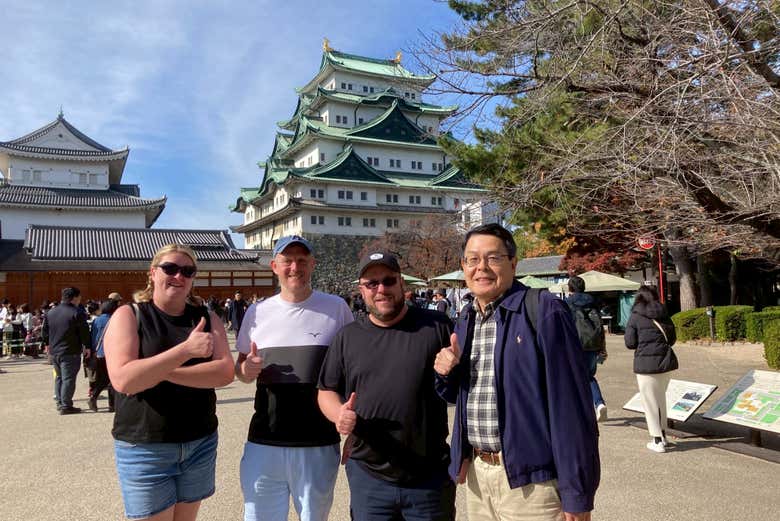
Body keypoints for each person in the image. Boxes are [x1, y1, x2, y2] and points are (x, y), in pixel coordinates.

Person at [434, 223, 600, 521]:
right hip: (478, 476)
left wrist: (577, 493)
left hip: (532, 483)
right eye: (472, 259)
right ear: (463, 267)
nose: (481, 268)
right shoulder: (467, 318)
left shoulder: (544, 310)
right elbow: (459, 394)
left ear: (513, 263)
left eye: (493, 258)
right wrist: (446, 371)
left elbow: (572, 408)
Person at [318, 251, 456, 520]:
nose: (381, 289)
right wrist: (339, 416)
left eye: (388, 281)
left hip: (429, 476)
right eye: (372, 283)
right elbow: (326, 390)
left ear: (401, 283)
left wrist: (453, 369)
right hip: (369, 476)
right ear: (361, 289)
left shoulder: (436, 326)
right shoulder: (348, 337)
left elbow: (460, 386)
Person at [104, 244, 235, 521]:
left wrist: (157, 371)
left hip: (199, 440)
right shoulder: (130, 315)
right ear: (152, 273)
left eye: (187, 271)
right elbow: (124, 380)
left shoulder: (206, 317)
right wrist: (184, 352)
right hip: (145, 444)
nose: (179, 276)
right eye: (170, 268)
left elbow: (224, 372)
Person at [234, 235, 353, 521]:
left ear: (313, 264)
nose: (294, 267)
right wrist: (246, 371)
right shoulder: (257, 312)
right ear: (274, 266)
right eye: (287, 260)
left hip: (318, 442)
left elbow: (353, 367)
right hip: (265, 439)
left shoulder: (336, 308)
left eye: (302, 260)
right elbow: (241, 368)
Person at [624, 285, 678, 453]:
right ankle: (663, 435)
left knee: (650, 403)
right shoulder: (663, 313)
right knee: (661, 400)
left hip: (645, 366)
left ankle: (657, 440)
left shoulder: (635, 316)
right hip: (666, 363)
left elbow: (630, 343)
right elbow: (672, 338)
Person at [566, 275, 608, 422]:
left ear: (570, 288)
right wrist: (603, 347)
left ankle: (579, 412)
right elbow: (600, 325)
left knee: (572, 379)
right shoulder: (593, 302)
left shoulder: (567, 303)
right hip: (593, 345)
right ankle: (598, 403)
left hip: (574, 346)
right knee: (589, 377)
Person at [42, 287, 91, 414]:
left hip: (55, 350)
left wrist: (47, 344)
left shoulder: (50, 312)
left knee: (59, 377)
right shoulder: (77, 312)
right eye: (79, 297)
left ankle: (60, 402)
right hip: (70, 350)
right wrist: (87, 346)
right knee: (69, 378)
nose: (80, 300)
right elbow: (84, 332)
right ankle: (66, 405)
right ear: (75, 297)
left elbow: (45, 331)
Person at [88, 299, 119, 413]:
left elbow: (93, 337)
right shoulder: (115, 320)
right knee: (111, 379)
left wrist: (93, 351)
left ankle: (94, 397)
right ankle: (112, 405)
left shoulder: (97, 320)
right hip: (113, 353)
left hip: (99, 353)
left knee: (104, 378)